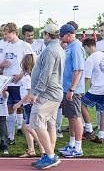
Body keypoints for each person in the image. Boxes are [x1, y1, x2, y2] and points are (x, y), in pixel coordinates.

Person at [27, 23, 64, 169]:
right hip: (53, 93)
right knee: (50, 125)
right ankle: (48, 155)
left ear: (47, 35)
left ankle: (50, 156)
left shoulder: (50, 50)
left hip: (47, 94)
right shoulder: (58, 48)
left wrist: (35, 93)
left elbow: (46, 74)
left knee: (36, 121)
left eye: (44, 34)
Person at [0, 22, 33, 145]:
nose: (5, 35)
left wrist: (20, 75)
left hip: (22, 84)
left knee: (25, 110)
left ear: (14, 32)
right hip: (8, 84)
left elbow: (31, 65)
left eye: (7, 33)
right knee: (9, 110)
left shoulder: (24, 45)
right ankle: (11, 137)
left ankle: (32, 138)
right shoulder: (4, 46)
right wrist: (1, 65)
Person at [58, 24, 86, 158]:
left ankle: (78, 147)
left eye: (62, 35)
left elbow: (78, 70)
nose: (60, 38)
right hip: (67, 88)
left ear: (69, 35)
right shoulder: (70, 46)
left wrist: (72, 89)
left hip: (73, 89)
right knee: (71, 117)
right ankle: (72, 143)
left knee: (75, 117)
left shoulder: (76, 47)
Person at [13, 54, 45, 158]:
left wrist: (19, 103)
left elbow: (29, 94)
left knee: (30, 128)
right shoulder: (30, 75)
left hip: (28, 105)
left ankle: (42, 148)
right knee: (25, 127)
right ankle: (31, 149)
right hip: (28, 104)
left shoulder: (27, 78)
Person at [81, 38, 104, 143]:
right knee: (102, 111)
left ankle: (89, 130)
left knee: (82, 104)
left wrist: (82, 90)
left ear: (86, 47)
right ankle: (101, 136)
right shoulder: (102, 54)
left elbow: (86, 78)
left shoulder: (90, 59)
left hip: (97, 88)